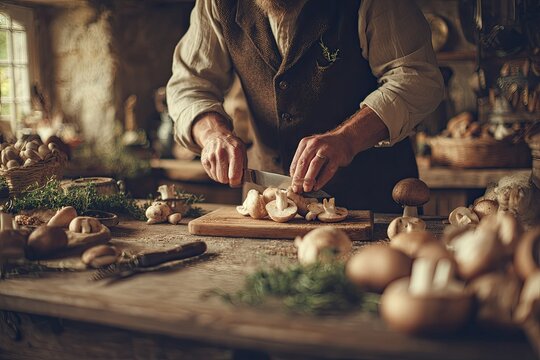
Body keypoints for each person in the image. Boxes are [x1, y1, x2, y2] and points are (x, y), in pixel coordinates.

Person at [167, 0, 444, 212]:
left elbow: (416, 79)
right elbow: (189, 83)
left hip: (371, 203)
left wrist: (347, 139)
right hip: (268, 207)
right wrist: (212, 133)